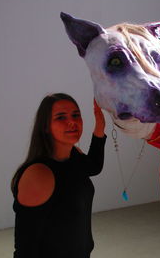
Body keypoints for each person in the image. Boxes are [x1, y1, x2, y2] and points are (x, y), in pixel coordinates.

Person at [11, 93, 106, 258]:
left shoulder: (74, 155)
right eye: (61, 117)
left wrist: (99, 128)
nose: (72, 122)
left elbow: (93, 167)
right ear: (46, 126)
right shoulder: (39, 174)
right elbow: (25, 248)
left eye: (76, 115)